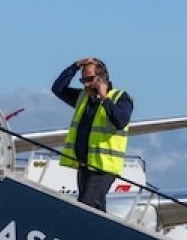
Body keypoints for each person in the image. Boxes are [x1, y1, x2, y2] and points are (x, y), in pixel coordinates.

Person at [51, 57, 133, 210]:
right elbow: (58, 88)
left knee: (86, 206)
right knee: (95, 208)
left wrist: (104, 98)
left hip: (103, 168)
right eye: (83, 80)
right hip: (85, 165)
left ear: (102, 78)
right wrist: (75, 66)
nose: (86, 84)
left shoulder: (121, 98)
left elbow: (121, 121)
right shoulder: (83, 97)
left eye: (89, 79)